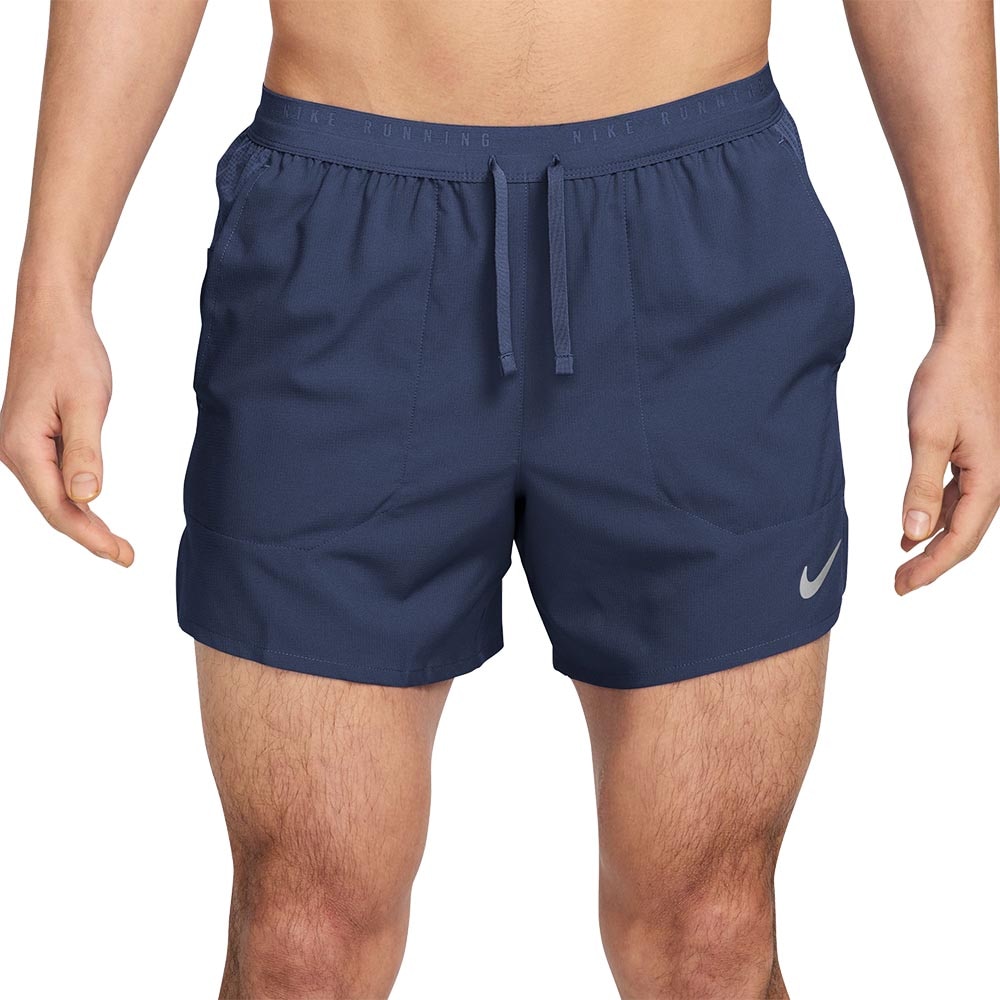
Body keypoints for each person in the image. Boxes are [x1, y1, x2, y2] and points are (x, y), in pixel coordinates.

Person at [2, 1, 998, 997]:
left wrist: (975, 309)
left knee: (711, 940)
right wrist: (54, 281)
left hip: (696, 233)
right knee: (301, 945)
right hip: (345, 240)